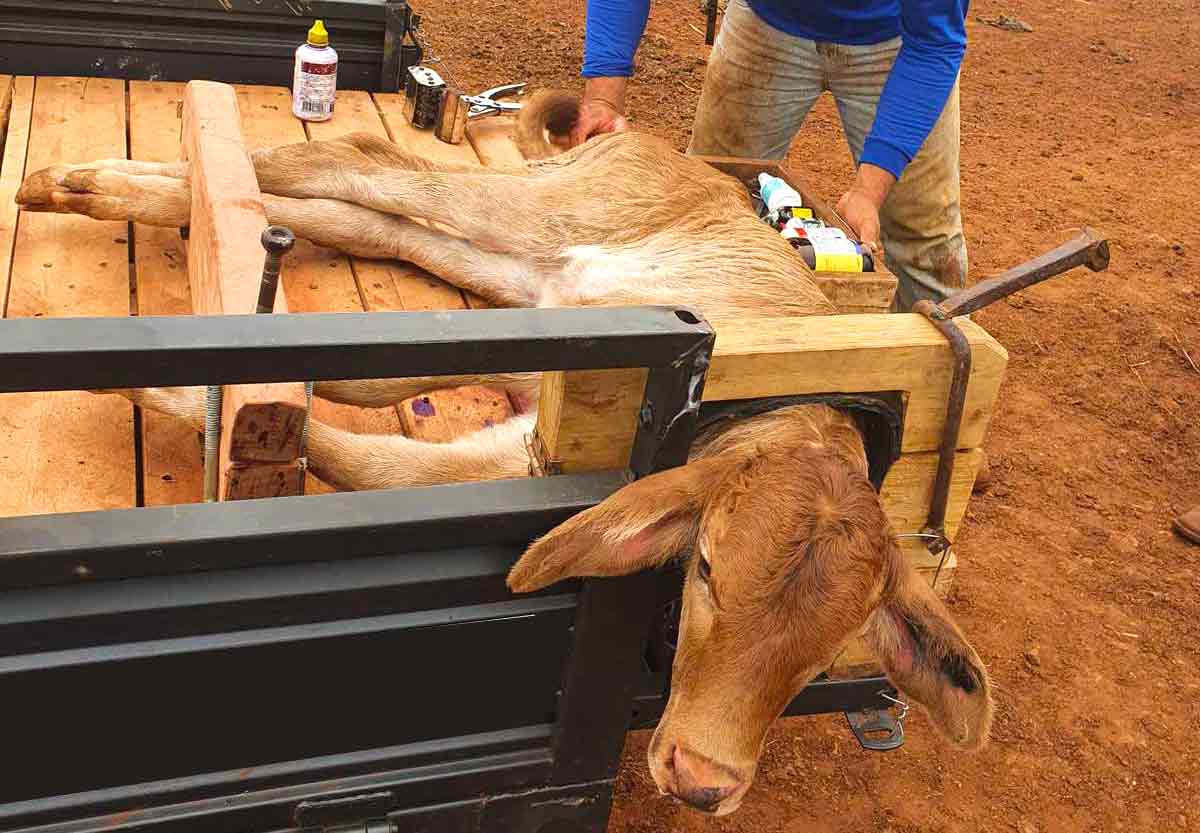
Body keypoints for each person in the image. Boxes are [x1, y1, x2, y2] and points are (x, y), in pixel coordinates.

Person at [572, 0, 970, 311]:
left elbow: (934, 44)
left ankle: (926, 398)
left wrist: (869, 189)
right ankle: (694, 364)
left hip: (897, 39)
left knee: (926, 248)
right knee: (698, 205)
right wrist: (603, 99)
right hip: (766, 24)